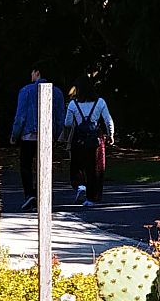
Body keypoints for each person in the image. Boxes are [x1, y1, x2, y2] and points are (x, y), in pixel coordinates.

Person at [10, 67, 59, 210]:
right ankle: (42, 194)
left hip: (29, 135)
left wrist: (15, 135)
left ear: (37, 73)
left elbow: (20, 117)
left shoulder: (26, 91)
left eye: (32, 72)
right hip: (47, 135)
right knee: (43, 165)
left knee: (26, 165)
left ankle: (29, 194)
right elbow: (59, 118)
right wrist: (55, 134)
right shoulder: (57, 93)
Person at [64, 81, 115, 206]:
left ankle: (80, 185)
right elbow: (108, 120)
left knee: (78, 164)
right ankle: (92, 198)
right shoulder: (100, 102)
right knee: (95, 168)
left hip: (79, 138)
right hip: (95, 138)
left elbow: (68, 123)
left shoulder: (73, 104)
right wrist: (111, 135)